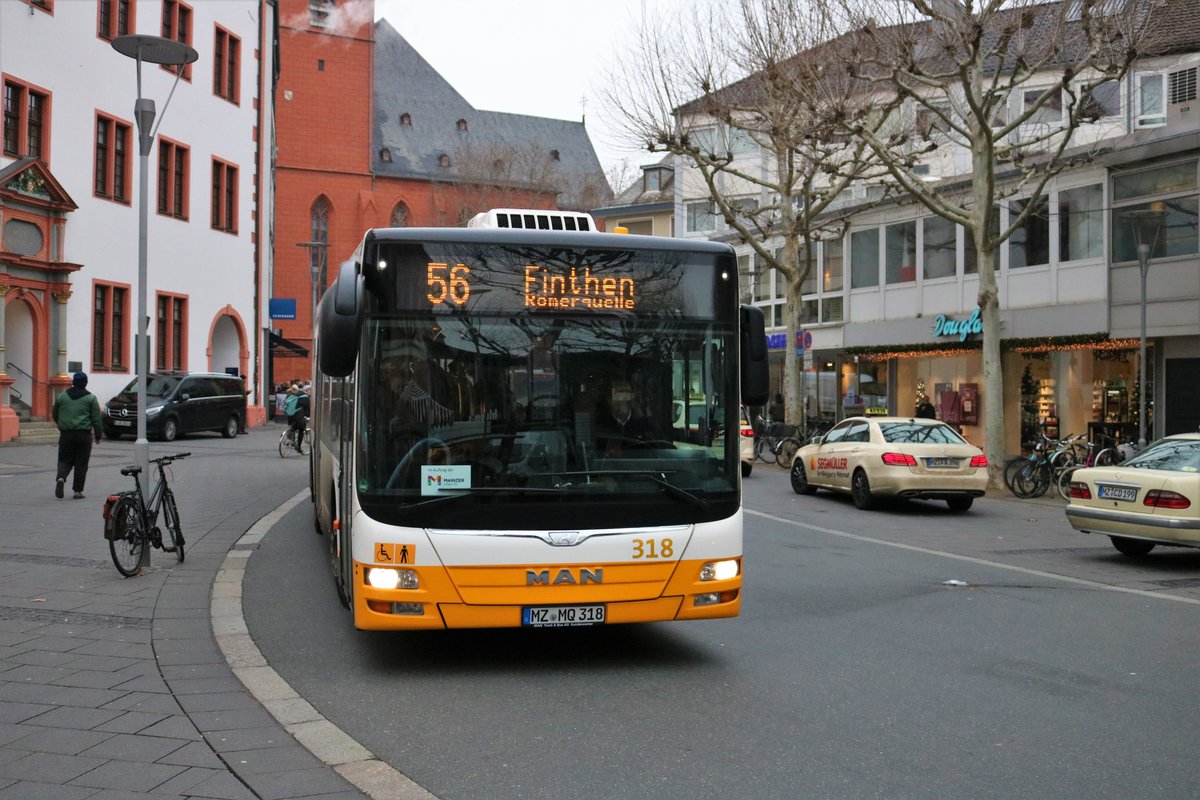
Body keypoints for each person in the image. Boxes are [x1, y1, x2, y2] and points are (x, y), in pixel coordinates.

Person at [52, 372, 102, 499]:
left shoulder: (62, 397)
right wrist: (98, 435)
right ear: (86, 383)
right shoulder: (91, 398)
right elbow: (96, 419)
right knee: (81, 463)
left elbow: (55, 413)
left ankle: (61, 478)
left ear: (73, 382)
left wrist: (62, 424)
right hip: (83, 435)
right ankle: (77, 491)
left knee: (64, 459)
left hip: (66, 434)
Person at [282, 384, 308, 452]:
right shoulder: (304, 396)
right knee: (301, 430)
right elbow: (308, 407)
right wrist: (308, 416)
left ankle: (292, 440)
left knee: (292, 427)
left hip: (290, 416)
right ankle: (298, 447)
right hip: (299, 417)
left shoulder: (289, 395)